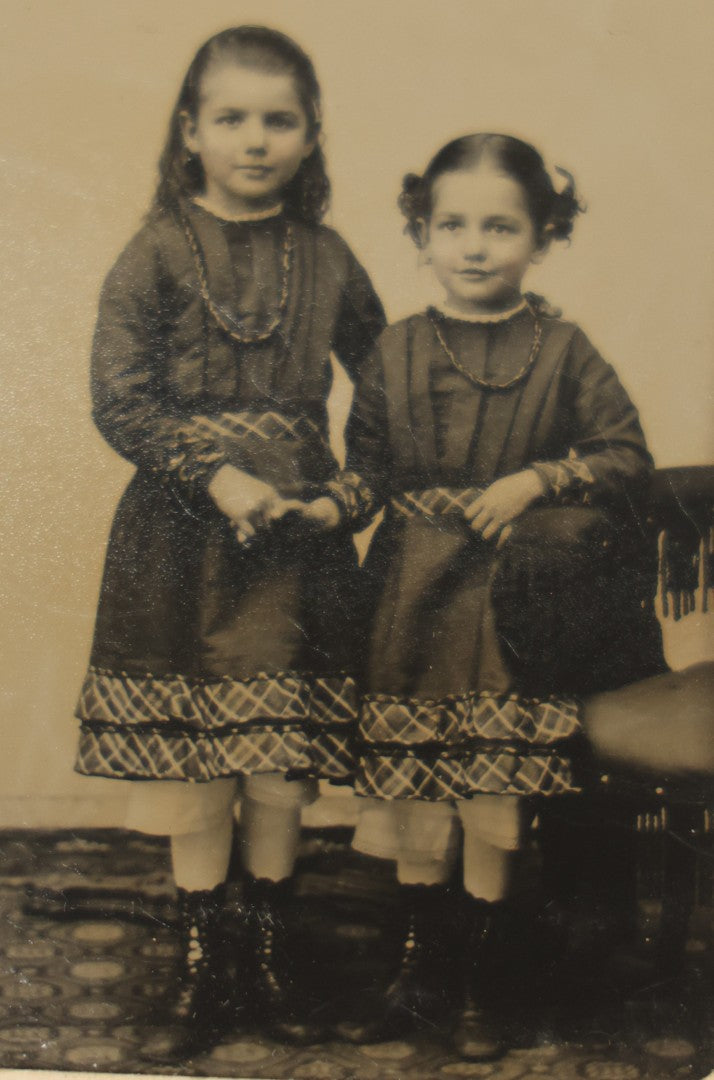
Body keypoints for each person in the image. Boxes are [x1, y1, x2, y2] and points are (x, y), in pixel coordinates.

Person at [74, 25, 385, 1059]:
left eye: (279, 119)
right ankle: (212, 967)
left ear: (310, 135)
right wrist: (212, 472)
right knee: (200, 762)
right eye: (233, 117)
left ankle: (267, 952)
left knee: (278, 766)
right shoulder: (156, 251)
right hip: (178, 545)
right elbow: (118, 399)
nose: (256, 140)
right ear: (191, 129)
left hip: (295, 552)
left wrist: (348, 497)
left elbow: (389, 400)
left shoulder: (331, 257)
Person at [326, 133, 663, 1059]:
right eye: (453, 225)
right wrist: (322, 507)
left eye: (502, 226)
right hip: (408, 600)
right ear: (421, 233)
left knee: (489, 794)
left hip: (508, 611)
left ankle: (481, 979)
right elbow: (367, 473)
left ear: (542, 236)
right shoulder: (394, 349)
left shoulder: (563, 348)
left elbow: (626, 455)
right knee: (417, 799)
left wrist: (541, 481)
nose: (475, 245)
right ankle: (420, 972)